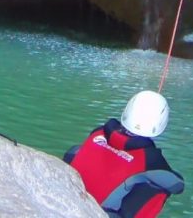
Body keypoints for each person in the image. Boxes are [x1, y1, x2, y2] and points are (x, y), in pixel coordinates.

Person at [65, 89, 184, 217]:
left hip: (67, 196)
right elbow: (178, 185)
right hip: (99, 213)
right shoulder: (150, 158)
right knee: (157, 187)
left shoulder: (99, 132)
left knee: (78, 150)